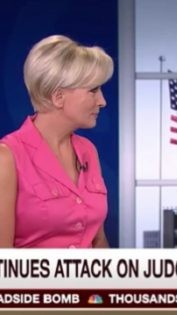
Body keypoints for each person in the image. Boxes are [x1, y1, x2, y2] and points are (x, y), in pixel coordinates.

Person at [0, 35, 113, 248]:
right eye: (93, 90)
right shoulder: (7, 158)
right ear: (58, 97)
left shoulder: (88, 151)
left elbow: (98, 241)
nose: (102, 101)